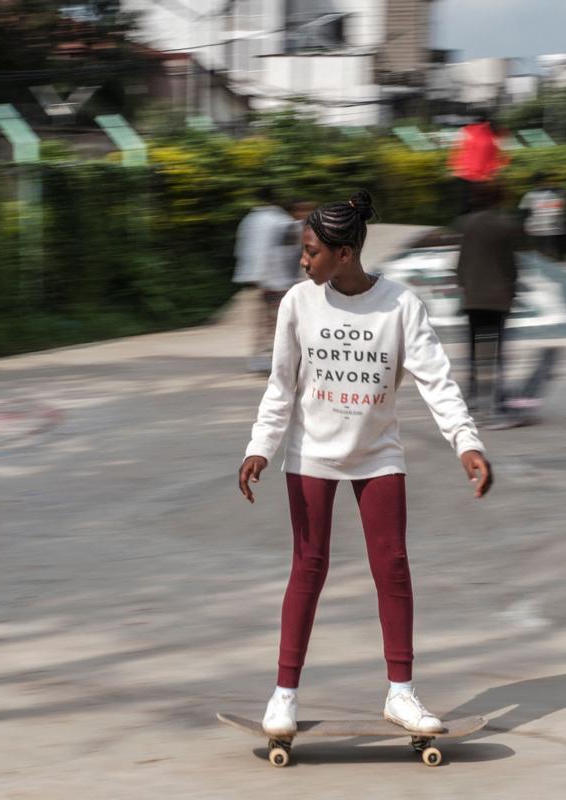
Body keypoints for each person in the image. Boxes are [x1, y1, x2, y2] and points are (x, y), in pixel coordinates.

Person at [237, 189, 494, 737]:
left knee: (392, 567)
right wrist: (259, 447)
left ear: (345, 254)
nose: (302, 261)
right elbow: (281, 389)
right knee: (308, 566)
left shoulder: (400, 306)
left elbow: (437, 381)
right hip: (310, 455)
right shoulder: (296, 305)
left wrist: (465, 442)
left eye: (311, 252)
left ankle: (401, 693)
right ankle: (283, 695)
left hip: (378, 455)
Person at [454, 180, 521, 423]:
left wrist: (463, 284)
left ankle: (472, 396)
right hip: (499, 298)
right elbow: (510, 264)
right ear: (499, 198)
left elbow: (461, 262)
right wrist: (513, 289)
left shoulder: (466, 224)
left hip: (473, 297)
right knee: (497, 351)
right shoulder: (506, 226)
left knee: (473, 349)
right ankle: (497, 398)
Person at [233, 188, 297, 372]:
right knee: (277, 321)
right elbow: (289, 252)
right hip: (279, 279)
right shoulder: (280, 219)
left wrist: (252, 276)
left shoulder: (250, 220)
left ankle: (262, 357)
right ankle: (273, 358)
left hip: (263, 280)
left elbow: (244, 248)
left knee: (267, 320)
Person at [518, 172, 566, 260]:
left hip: (551, 228)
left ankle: (556, 259)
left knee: (550, 252)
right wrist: (525, 225)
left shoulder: (557, 192)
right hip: (542, 228)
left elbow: (524, 211)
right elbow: (524, 211)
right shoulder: (531, 195)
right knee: (545, 253)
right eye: (542, 181)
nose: (544, 183)